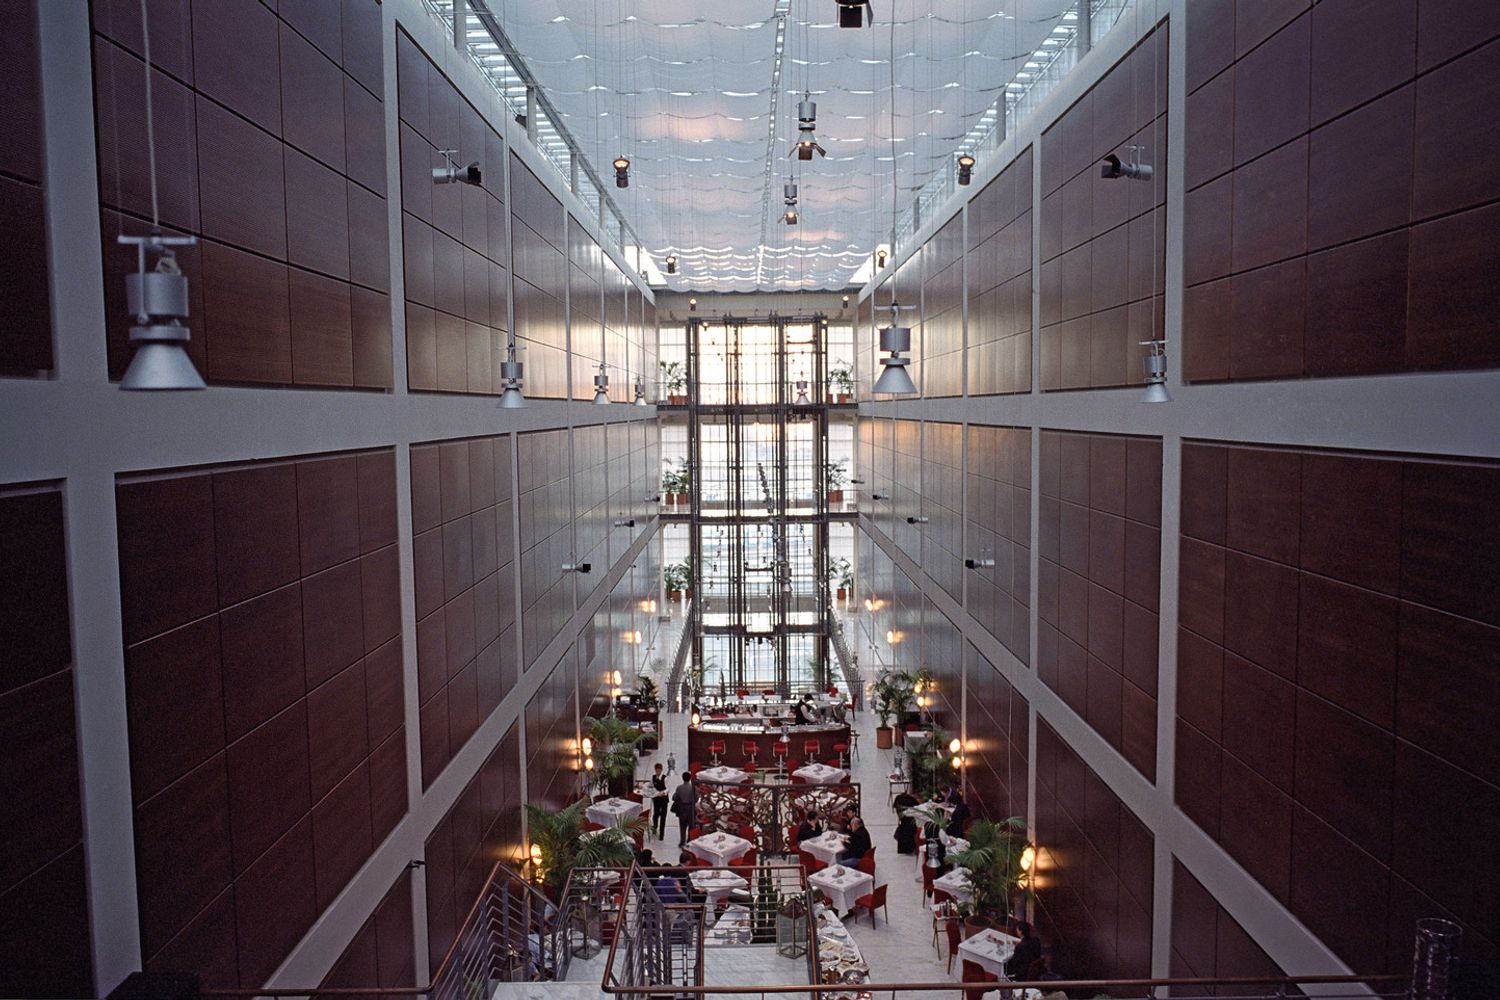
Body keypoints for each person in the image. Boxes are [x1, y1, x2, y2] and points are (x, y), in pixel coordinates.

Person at [671, 771, 697, 846]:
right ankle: (689, 839)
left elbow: (675, 797)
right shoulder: (692, 788)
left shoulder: (679, 788)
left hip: (682, 808)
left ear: (682, 778)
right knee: (691, 825)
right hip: (690, 809)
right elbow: (696, 798)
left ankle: (682, 841)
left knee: (682, 826)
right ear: (690, 778)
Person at [649, 763, 670, 840]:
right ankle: (655, 828)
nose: (657, 772)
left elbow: (668, 789)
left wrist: (663, 793)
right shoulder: (653, 777)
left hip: (664, 800)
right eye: (656, 770)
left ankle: (661, 835)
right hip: (656, 799)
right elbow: (650, 785)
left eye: (659, 770)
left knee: (663, 817)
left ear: (661, 770)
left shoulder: (665, 778)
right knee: (655, 815)